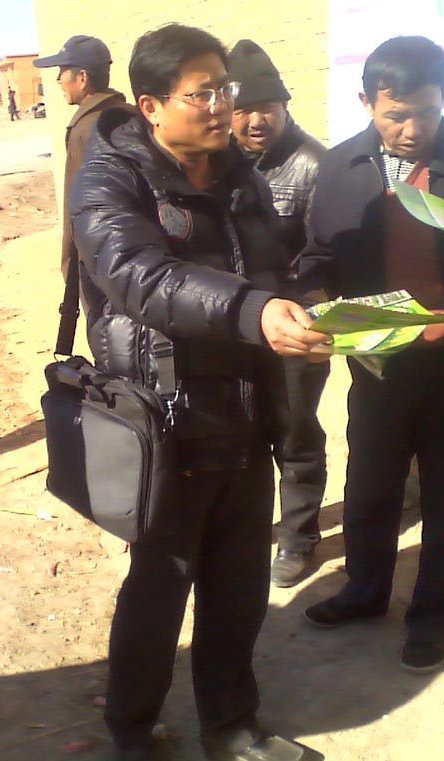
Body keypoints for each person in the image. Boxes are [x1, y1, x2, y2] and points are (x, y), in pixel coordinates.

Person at [69, 23, 327, 761]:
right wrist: (253, 310)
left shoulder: (238, 174)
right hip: (166, 417)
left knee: (239, 585)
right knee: (161, 584)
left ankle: (232, 725)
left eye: (224, 89)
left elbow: (273, 268)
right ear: (151, 106)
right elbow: (138, 276)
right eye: (202, 93)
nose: (221, 106)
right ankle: (131, 728)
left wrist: (312, 306)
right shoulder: (109, 178)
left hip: (245, 409)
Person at [299, 35, 444, 673]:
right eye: (395, 115)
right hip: (380, 363)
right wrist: (315, 302)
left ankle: (434, 616)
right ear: (366, 103)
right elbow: (317, 255)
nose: (411, 130)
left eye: (426, 113)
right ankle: (364, 590)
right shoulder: (341, 169)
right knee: (370, 486)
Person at [228, 39, 330, 588]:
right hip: (238, 323)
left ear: (285, 106)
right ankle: (247, 527)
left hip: (297, 325)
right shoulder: (220, 163)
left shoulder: (315, 165)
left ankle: (299, 536)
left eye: (265, 107)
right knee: (242, 428)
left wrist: (304, 315)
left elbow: (326, 255)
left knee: (294, 434)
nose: (254, 120)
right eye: (242, 109)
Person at [34, 35, 134, 279]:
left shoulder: (86, 128)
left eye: (62, 71)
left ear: (82, 79)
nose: (58, 80)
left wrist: (71, 267)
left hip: (102, 261)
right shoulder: (131, 114)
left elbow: (77, 205)